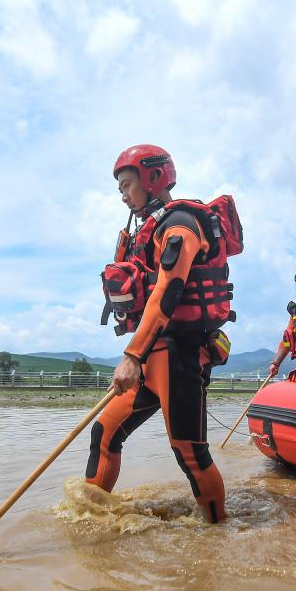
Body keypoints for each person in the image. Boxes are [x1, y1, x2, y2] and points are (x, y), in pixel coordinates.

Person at [88, 144, 244, 524]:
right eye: (120, 187)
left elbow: (168, 292)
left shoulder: (179, 224)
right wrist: (139, 355)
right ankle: (89, 522)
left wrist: (132, 355)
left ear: (153, 179)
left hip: (178, 355)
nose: (122, 193)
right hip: (150, 355)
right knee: (104, 433)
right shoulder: (145, 232)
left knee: (189, 453)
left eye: (127, 184)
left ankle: (217, 531)